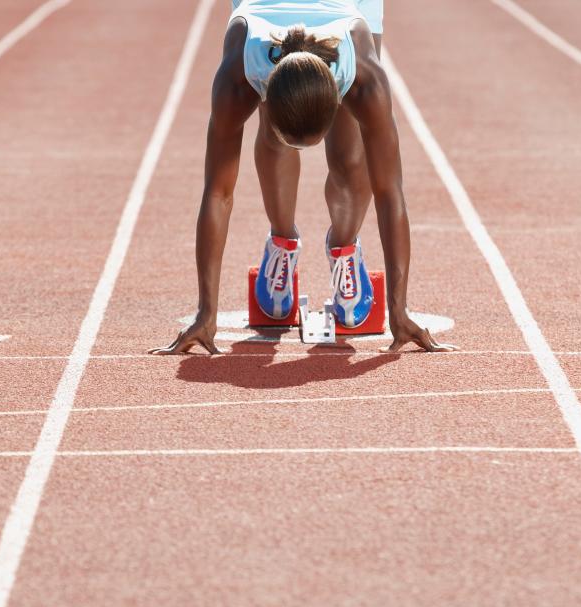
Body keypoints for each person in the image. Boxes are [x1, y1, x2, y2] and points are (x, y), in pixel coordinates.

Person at [152, 0, 453, 355]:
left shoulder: (364, 78)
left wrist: (399, 311)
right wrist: (206, 312)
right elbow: (218, 192)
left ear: (340, 91)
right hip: (264, 14)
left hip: (346, 8)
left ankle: (346, 248)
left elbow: (389, 191)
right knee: (275, 142)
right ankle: (281, 242)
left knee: (351, 151)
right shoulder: (239, 73)